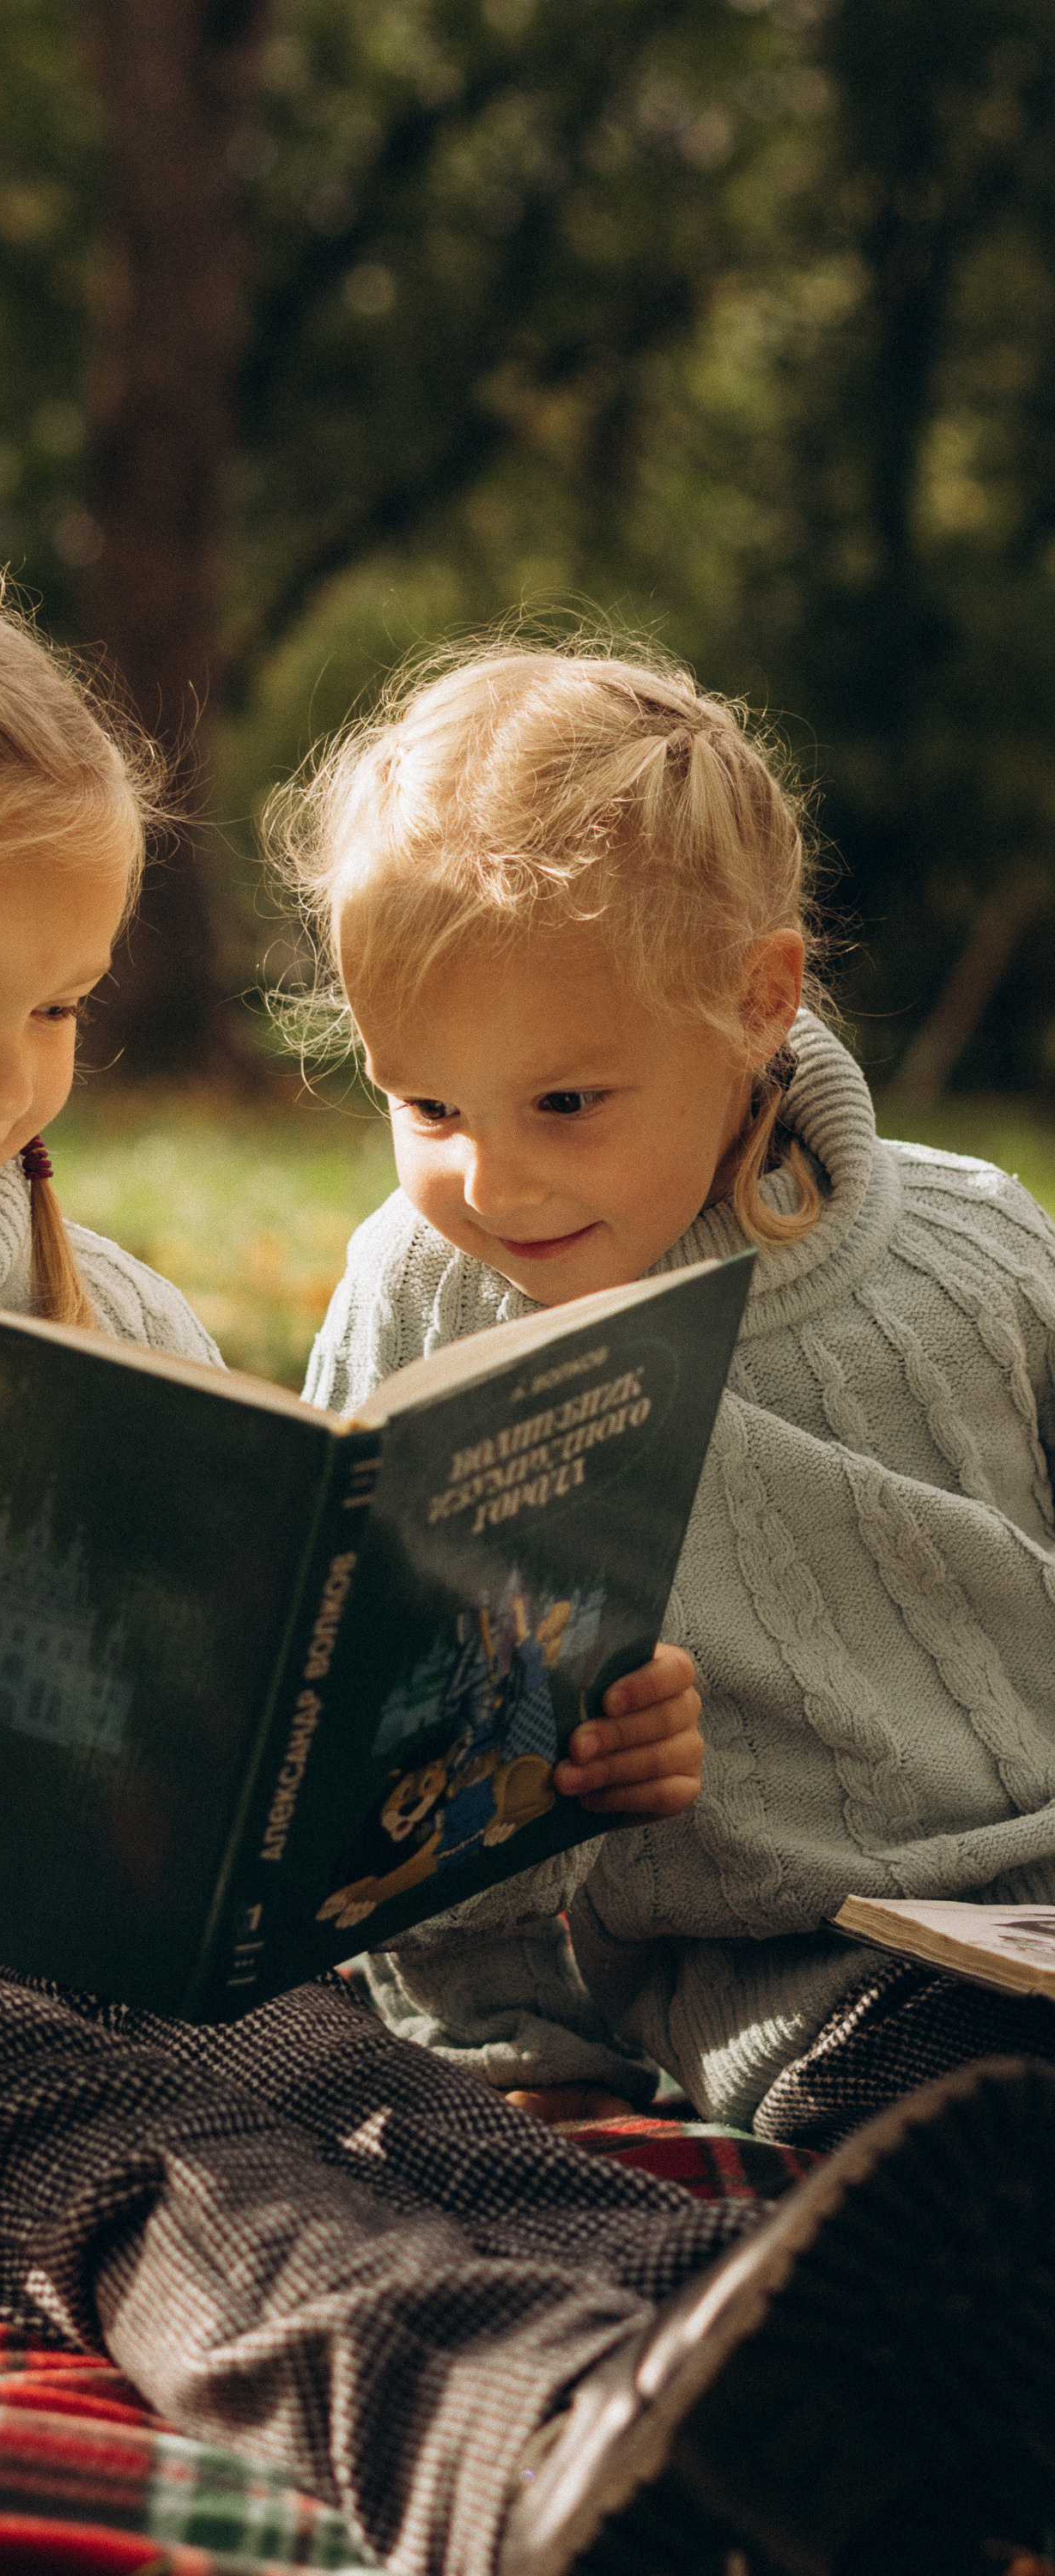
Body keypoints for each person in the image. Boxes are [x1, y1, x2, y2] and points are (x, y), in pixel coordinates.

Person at [0, 548, 1055, 2576]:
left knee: (383, 2108)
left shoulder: (106, 1307)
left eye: (58, 1008)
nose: (12, 1076)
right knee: (145, 2172)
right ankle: (513, 2458)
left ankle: (818, 2393)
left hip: (92, 1934)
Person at [280, 637, 1055, 2154]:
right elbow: (396, 1742)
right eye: (427, 1106)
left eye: (567, 1103)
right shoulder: (424, 1304)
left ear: (758, 1001)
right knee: (990, 2133)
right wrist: (508, 2051)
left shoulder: (978, 1248)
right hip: (812, 1975)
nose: (490, 1182)